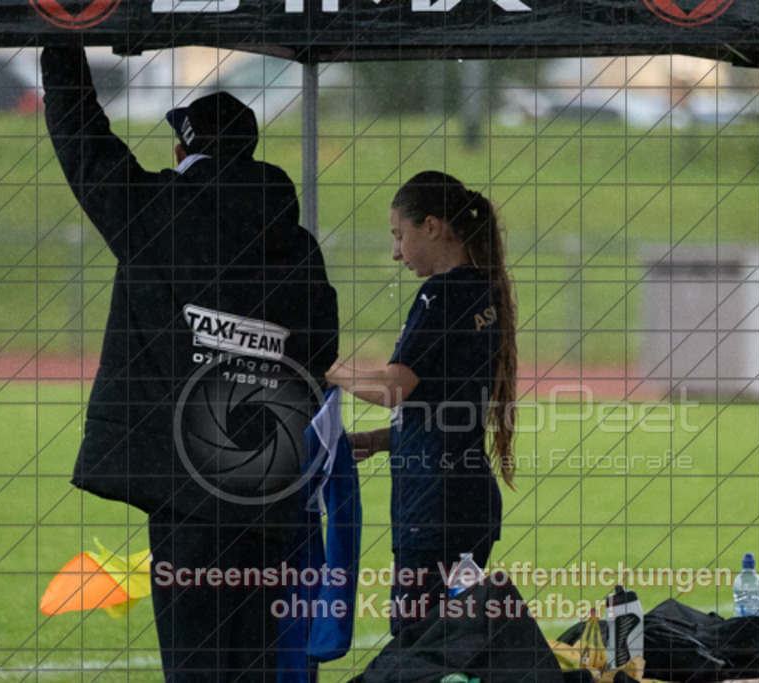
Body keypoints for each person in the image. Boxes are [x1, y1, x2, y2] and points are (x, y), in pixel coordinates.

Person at [41, 45, 338, 680]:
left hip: (185, 488)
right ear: (248, 151)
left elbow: (82, 139)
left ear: (183, 150)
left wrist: (60, 44)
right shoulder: (294, 239)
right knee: (257, 656)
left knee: (197, 659)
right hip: (265, 484)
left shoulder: (155, 213)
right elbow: (320, 348)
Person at [326, 170, 517, 638]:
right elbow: (444, 412)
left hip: (433, 510)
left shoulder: (443, 293)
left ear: (432, 226)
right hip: (468, 504)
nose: (396, 251)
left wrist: (324, 366)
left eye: (399, 235)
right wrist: (374, 440)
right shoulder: (482, 293)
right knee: (456, 642)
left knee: (419, 643)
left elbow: (394, 387)